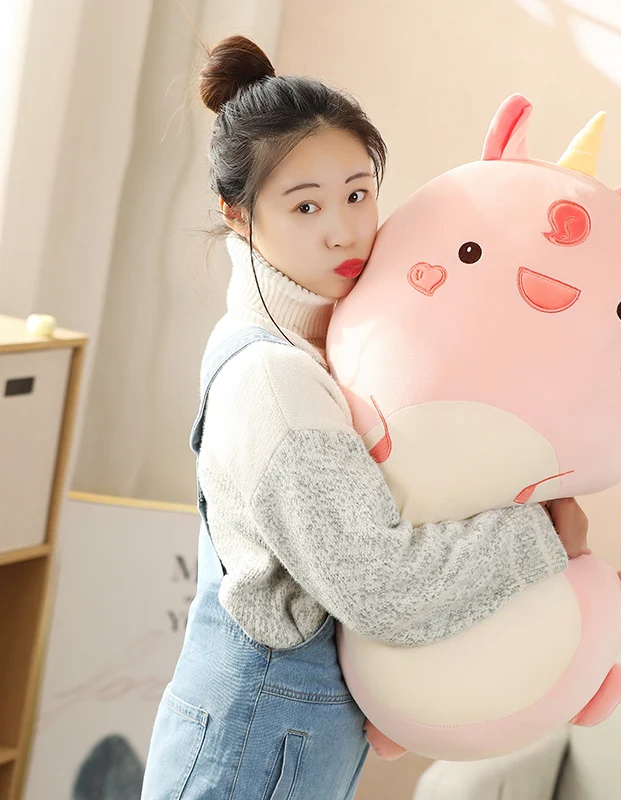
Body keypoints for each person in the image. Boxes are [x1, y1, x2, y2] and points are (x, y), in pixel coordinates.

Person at [141, 34, 589, 800]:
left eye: (357, 193)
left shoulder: (319, 351)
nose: (344, 229)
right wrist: (541, 532)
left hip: (276, 735)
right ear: (237, 216)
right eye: (305, 206)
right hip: (256, 739)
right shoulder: (275, 379)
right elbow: (381, 584)